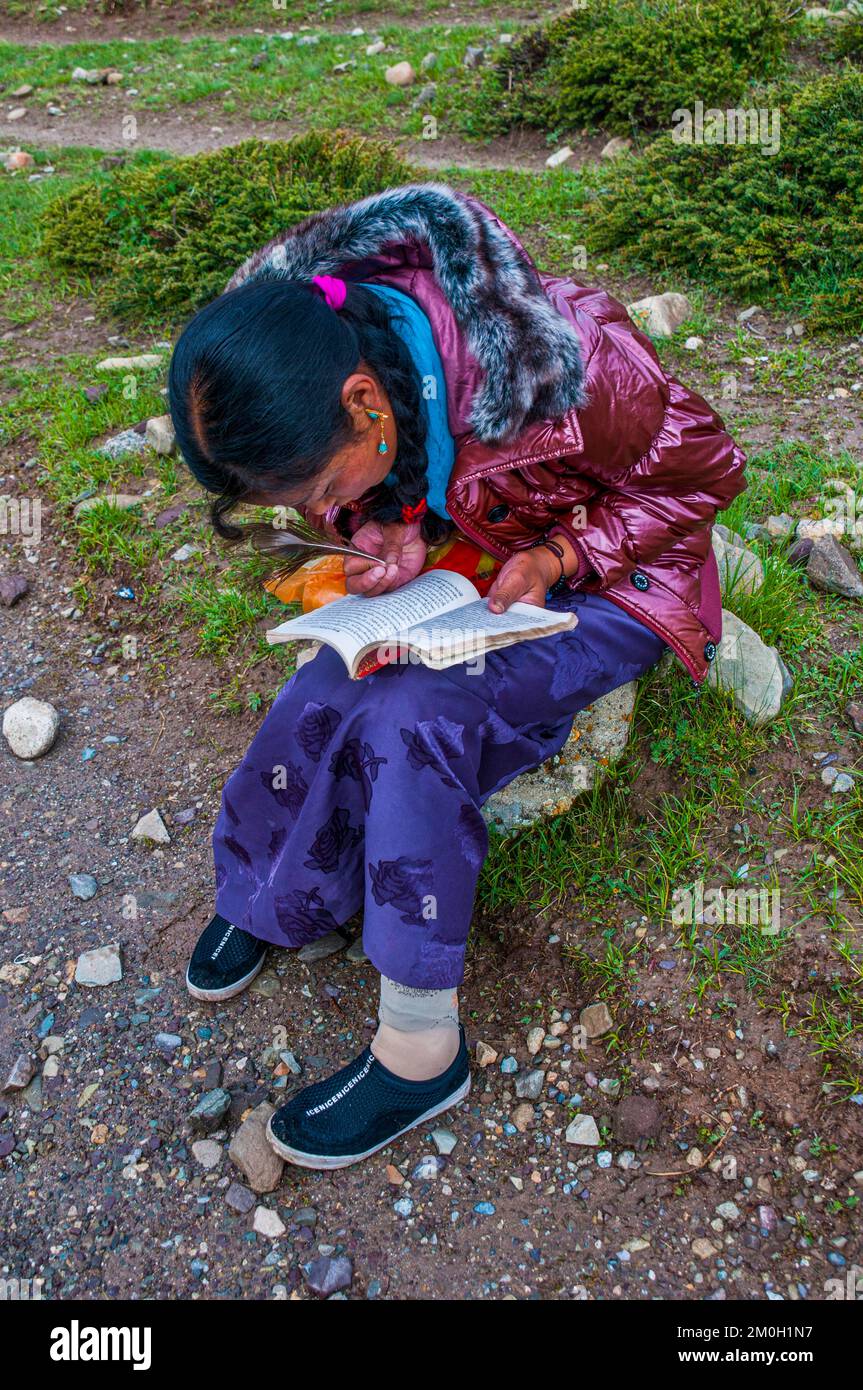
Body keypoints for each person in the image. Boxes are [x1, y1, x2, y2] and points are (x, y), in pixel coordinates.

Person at [167, 182, 746, 1170]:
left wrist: (560, 558)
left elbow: (703, 474)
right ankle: (274, 892)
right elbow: (395, 479)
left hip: (611, 585)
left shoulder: (563, 359)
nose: (315, 513)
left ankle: (420, 1044)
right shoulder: (346, 353)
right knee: (324, 682)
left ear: (362, 401)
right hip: (475, 566)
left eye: (314, 492)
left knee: (412, 711)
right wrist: (382, 528)